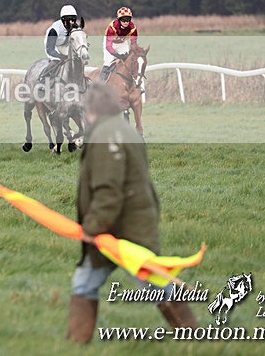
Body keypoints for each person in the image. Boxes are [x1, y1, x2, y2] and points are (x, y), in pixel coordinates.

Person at [66, 83, 197, 344]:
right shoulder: (126, 130)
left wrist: (91, 228)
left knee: (156, 285)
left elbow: (108, 191)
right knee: (84, 284)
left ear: (91, 110)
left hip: (123, 230)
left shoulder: (106, 135)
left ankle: (193, 335)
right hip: (124, 224)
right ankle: (76, 344)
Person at [40, 4, 81, 81]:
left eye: (73, 19)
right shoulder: (54, 30)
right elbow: (50, 49)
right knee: (57, 60)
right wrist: (60, 56)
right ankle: (42, 79)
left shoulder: (75, 27)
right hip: (52, 45)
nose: (72, 22)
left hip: (64, 44)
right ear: (63, 20)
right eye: (69, 19)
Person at [100, 6, 138, 82]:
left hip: (122, 43)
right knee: (108, 62)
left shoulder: (133, 28)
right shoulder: (112, 27)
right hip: (110, 44)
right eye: (123, 20)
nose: (126, 22)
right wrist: (117, 55)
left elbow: (133, 43)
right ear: (119, 19)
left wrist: (133, 53)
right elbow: (108, 46)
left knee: (128, 61)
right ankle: (101, 82)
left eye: (128, 20)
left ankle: (132, 81)